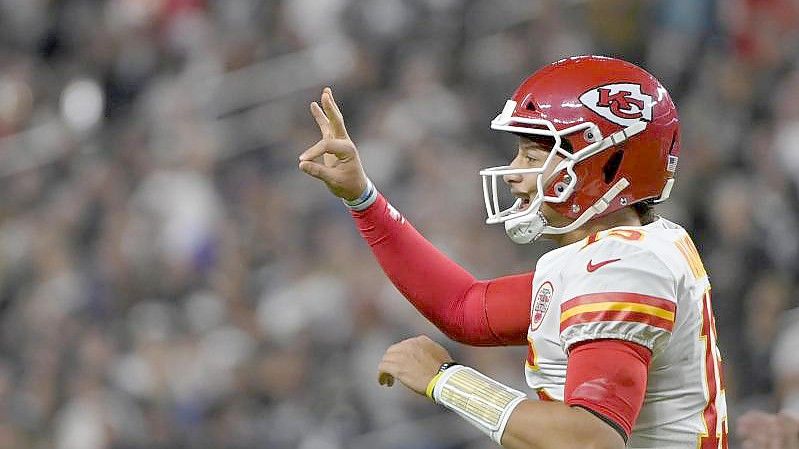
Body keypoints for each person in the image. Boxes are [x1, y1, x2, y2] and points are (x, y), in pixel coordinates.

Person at [298, 56, 728, 449]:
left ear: (605, 164)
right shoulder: (625, 252)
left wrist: (447, 381)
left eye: (534, 155)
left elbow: (590, 441)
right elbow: (465, 307)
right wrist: (362, 197)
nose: (514, 173)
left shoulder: (622, 266)